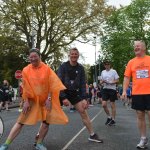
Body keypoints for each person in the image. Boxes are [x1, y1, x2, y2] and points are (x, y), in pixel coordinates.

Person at [0, 48, 68, 150]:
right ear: (29, 58)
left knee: (46, 122)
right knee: (20, 122)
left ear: (39, 57)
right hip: (31, 100)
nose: (33, 59)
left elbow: (52, 84)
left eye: (35, 56)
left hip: (45, 100)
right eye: (31, 57)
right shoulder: (26, 70)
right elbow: (26, 87)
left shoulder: (47, 69)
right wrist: (26, 101)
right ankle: (6, 144)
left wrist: (49, 99)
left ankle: (39, 143)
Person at [57, 47, 103, 143]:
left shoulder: (81, 68)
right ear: (69, 55)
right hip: (62, 92)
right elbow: (58, 82)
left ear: (78, 56)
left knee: (83, 111)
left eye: (76, 54)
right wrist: (63, 97)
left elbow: (82, 84)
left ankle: (92, 135)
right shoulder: (63, 66)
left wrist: (84, 99)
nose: (74, 55)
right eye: (72, 54)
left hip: (74, 93)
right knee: (49, 114)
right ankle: (39, 138)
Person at [122, 40, 150, 149]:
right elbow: (126, 77)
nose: (135, 48)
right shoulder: (131, 62)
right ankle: (143, 139)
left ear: (144, 48)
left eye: (138, 46)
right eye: (134, 46)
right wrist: (124, 91)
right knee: (140, 115)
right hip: (137, 93)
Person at [100, 60, 119, 126]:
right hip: (105, 89)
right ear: (104, 65)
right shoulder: (103, 72)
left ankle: (113, 120)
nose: (107, 65)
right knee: (104, 104)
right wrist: (102, 82)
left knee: (112, 104)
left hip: (112, 89)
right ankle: (109, 117)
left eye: (108, 64)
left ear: (110, 65)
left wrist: (111, 82)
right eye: (105, 64)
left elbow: (117, 80)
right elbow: (100, 81)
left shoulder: (114, 71)